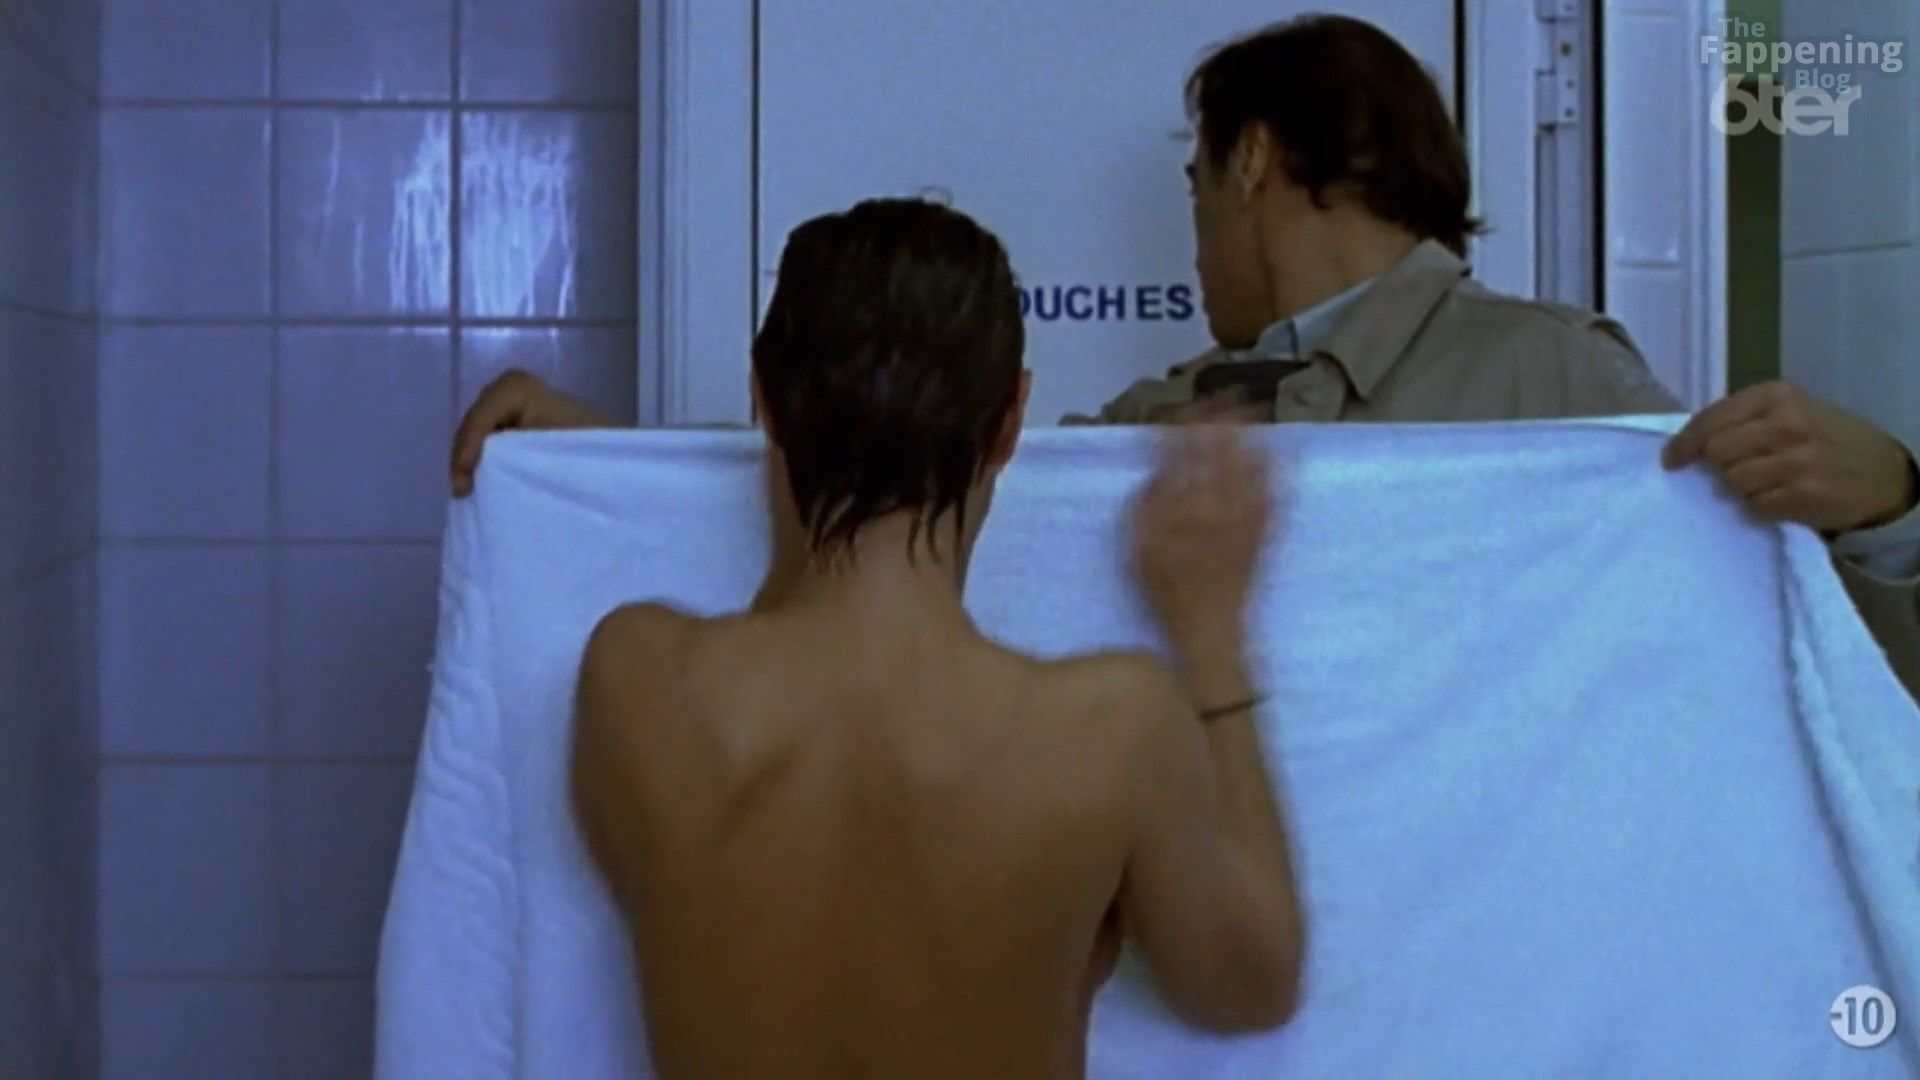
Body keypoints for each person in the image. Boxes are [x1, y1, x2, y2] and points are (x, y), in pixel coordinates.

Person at [450, 14, 1918, 699]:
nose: (1199, 229)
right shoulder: (1171, 417)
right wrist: (604, 464)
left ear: (1255, 160)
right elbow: (899, 514)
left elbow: (1807, 671)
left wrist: (1897, 501)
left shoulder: (1564, 385)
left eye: (1198, 185)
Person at [570, 198, 1304, 1078]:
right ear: (1010, 422)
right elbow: (1250, 988)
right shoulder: (1110, 731)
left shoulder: (637, 681)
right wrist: (1212, 628)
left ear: (763, 398)